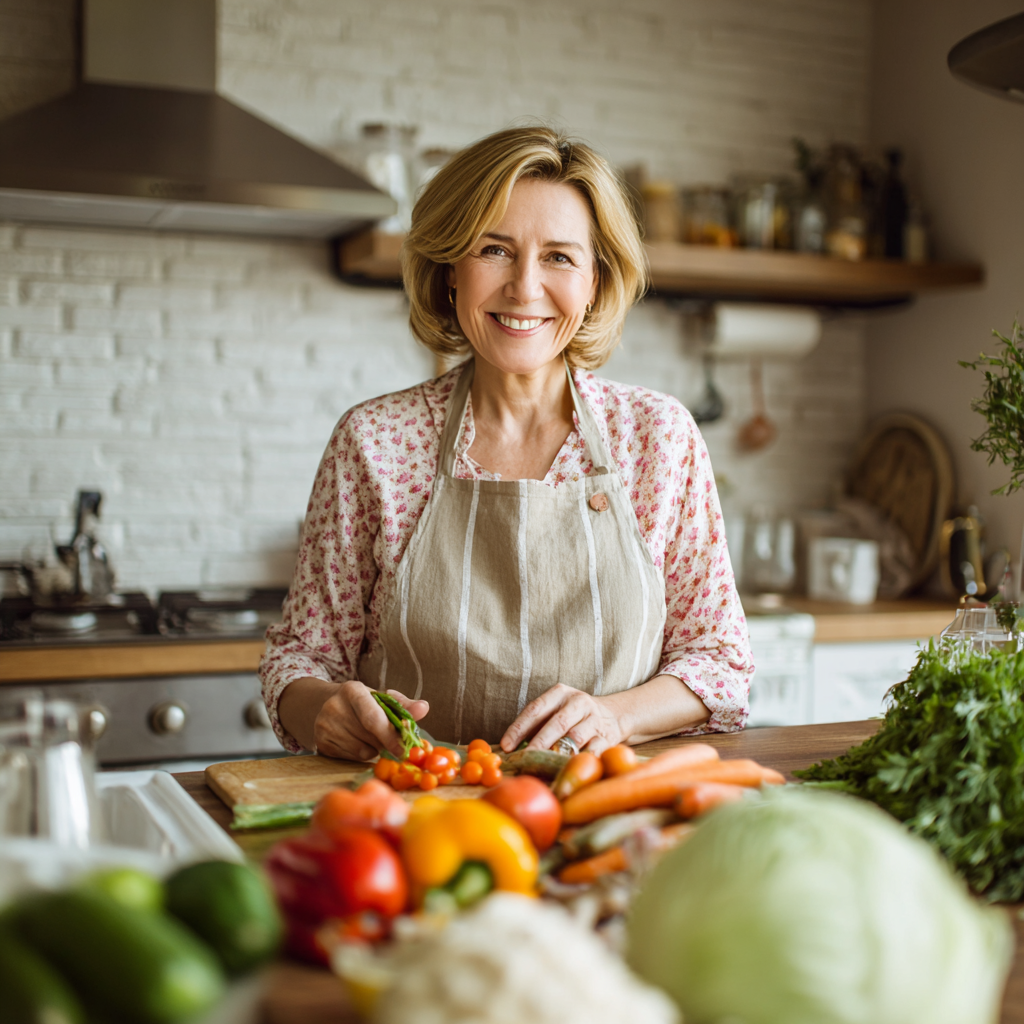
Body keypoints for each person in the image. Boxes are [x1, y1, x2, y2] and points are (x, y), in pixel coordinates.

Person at [260, 126, 753, 763]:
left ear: (595, 282)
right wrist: (322, 709)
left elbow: (720, 664)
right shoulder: (375, 442)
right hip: (419, 810)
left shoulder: (658, 439)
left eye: (559, 257)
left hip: (606, 807)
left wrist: (613, 717)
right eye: (494, 250)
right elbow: (302, 656)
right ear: (449, 272)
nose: (524, 287)